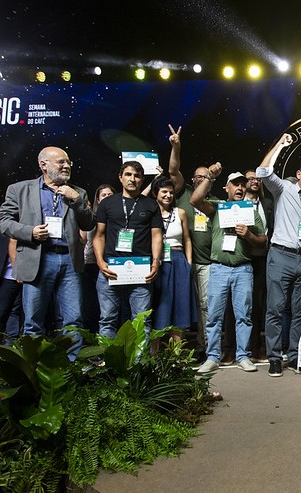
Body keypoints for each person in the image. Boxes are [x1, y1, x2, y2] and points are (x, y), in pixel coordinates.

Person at [0, 147, 94, 345]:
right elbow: (2, 220)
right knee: (33, 321)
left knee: (74, 320)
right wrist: (29, 232)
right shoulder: (20, 189)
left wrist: (76, 200)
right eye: (61, 162)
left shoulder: (78, 192)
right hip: (37, 259)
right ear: (43, 165)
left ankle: (71, 368)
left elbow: (89, 224)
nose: (66, 166)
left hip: (69, 260)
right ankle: (35, 369)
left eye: (68, 162)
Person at [256, 134, 301, 377]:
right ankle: (274, 357)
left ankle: (296, 355)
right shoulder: (284, 189)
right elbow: (263, 171)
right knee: (275, 309)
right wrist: (279, 145)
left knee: (300, 311)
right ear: (299, 175)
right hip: (280, 255)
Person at [191, 170, 266, 374]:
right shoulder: (216, 207)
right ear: (227, 188)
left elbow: (263, 241)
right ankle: (212, 357)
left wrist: (249, 234)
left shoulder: (250, 211)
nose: (240, 188)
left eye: (243, 185)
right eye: (235, 184)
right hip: (219, 269)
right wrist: (209, 178)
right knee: (214, 316)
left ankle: (243, 356)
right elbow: (195, 199)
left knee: (244, 316)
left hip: (243, 269)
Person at [93, 161, 163, 338]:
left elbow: (156, 236)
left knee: (141, 321)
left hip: (141, 270)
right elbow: (99, 235)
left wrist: (156, 262)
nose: (133, 179)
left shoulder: (151, 205)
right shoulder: (107, 204)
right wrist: (101, 263)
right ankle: (110, 363)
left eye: (137, 176)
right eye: (129, 174)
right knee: (107, 319)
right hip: (111, 268)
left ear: (142, 179)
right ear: (120, 177)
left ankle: (138, 365)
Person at [166, 124, 217, 354]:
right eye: (197, 176)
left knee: (205, 306)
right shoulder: (182, 192)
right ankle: (177, 348)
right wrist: (176, 147)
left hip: (206, 262)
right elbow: (173, 171)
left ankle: (204, 346)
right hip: (182, 260)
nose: (199, 180)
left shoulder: (214, 201)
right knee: (179, 304)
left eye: (204, 177)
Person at [151, 176, 197, 344]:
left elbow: (187, 239)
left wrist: (188, 263)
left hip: (178, 259)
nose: (168, 195)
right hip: (157, 261)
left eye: (171, 192)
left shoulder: (180, 213)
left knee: (180, 307)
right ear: (156, 193)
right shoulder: (149, 211)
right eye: (164, 192)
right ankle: (154, 354)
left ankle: (176, 355)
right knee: (159, 306)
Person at [245, 169, 273, 359]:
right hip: (243, 258)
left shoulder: (268, 203)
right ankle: (243, 347)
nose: (255, 181)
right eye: (251, 179)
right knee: (245, 305)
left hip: (263, 258)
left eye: (257, 179)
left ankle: (257, 347)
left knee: (260, 304)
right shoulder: (237, 205)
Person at [81, 184, 115, 333]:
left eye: (110, 195)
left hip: (110, 263)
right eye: (104, 195)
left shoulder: (118, 216)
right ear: (98, 199)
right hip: (90, 263)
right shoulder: (91, 216)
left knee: (108, 305)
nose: (107, 197)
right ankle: (91, 337)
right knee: (90, 302)